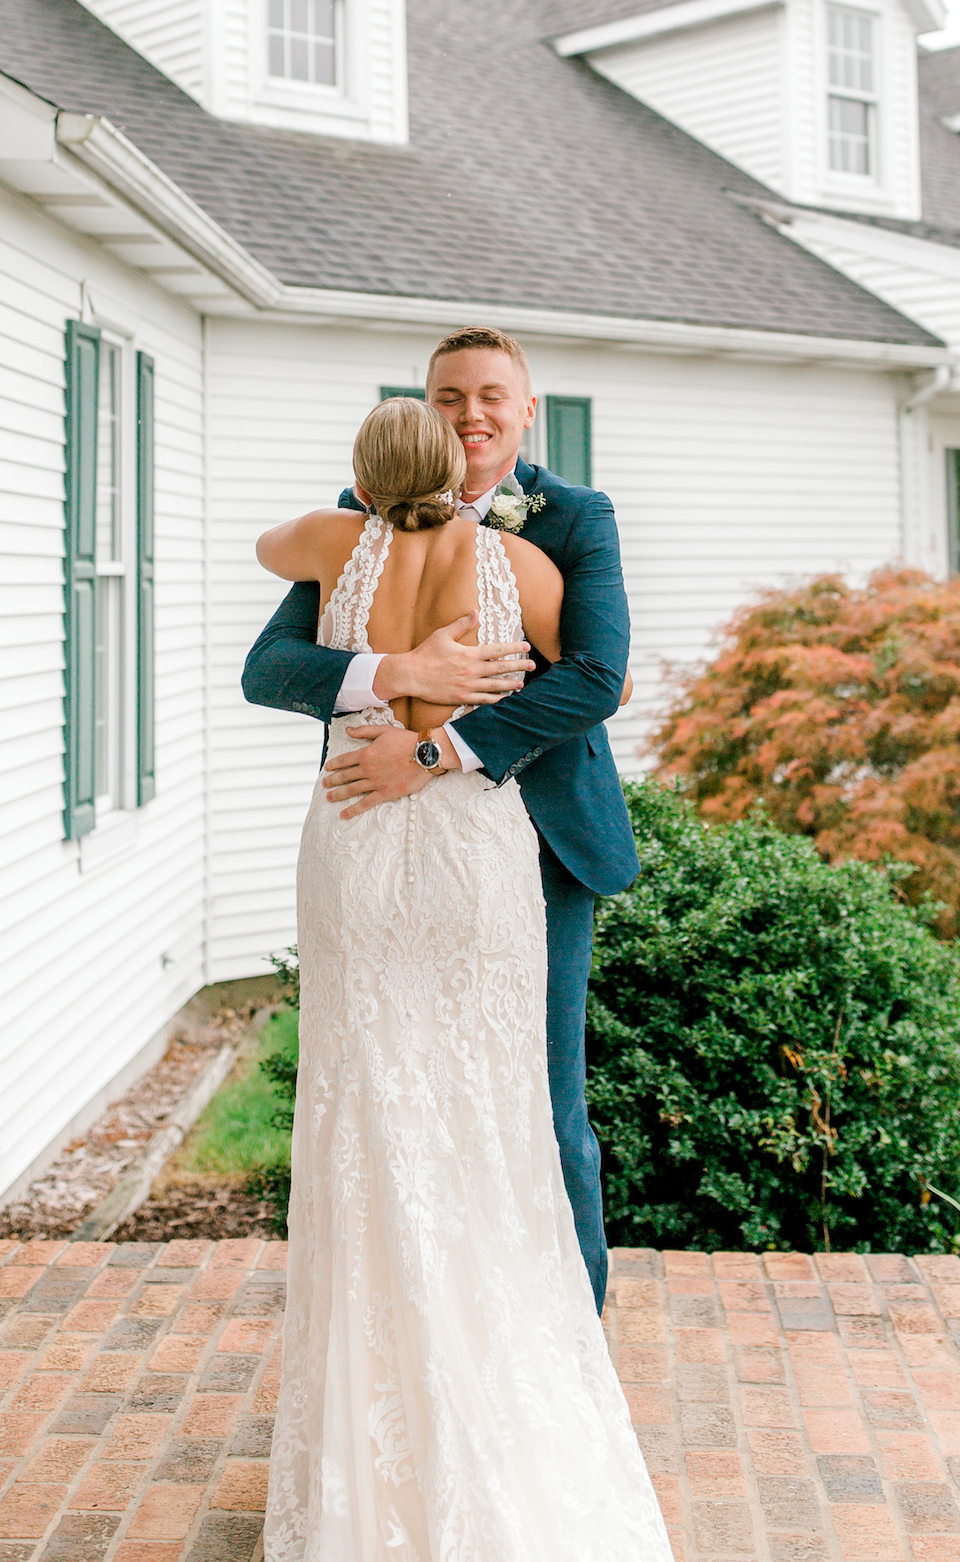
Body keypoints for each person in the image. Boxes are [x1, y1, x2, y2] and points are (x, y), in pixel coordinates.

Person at [255, 394, 670, 1560]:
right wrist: (420, 666)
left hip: (366, 834)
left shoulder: (338, 543)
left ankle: (391, 1402)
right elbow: (589, 673)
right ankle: (510, 1397)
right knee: (489, 1116)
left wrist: (418, 716)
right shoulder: (522, 564)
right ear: (452, 450)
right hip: (467, 854)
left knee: (378, 1106)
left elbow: (269, 552)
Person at [241, 326, 640, 1312]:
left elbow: (597, 678)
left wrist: (437, 747)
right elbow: (274, 667)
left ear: (526, 409)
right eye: (450, 394)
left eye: (492, 394)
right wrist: (399, 675)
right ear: (425, 408)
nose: (472, 412)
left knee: (543, 1100)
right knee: (399, 1087)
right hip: (376, 842)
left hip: (529, 839)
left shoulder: (574, 518)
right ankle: (424, 1323)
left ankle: (565, 1330)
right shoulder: (358, 520)